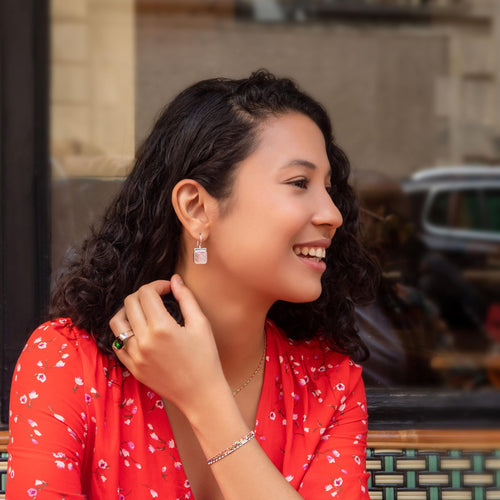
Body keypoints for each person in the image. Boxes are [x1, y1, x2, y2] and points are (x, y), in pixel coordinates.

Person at [7, 70, 378, 499]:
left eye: (328, 189)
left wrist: (204, 397)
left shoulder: (328, 381)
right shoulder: (70, 363)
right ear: (196, 207)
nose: (332, 213)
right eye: (299, 183)